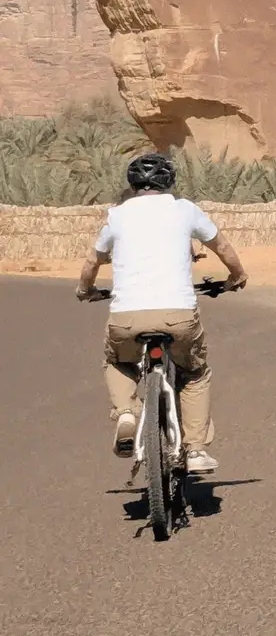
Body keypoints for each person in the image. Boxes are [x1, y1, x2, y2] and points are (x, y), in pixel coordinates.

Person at [77, 152, 247, 474]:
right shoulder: (185, 210)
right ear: (169, 181)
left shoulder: (117, 215)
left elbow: (92, 261)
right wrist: (237, 276)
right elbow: (223, 248)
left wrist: (85, 289)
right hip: (179, 315)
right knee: (195, 374)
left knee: (117, 360)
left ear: (133, 184)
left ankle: (127, 412)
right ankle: (195, 450)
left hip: (126, 317)